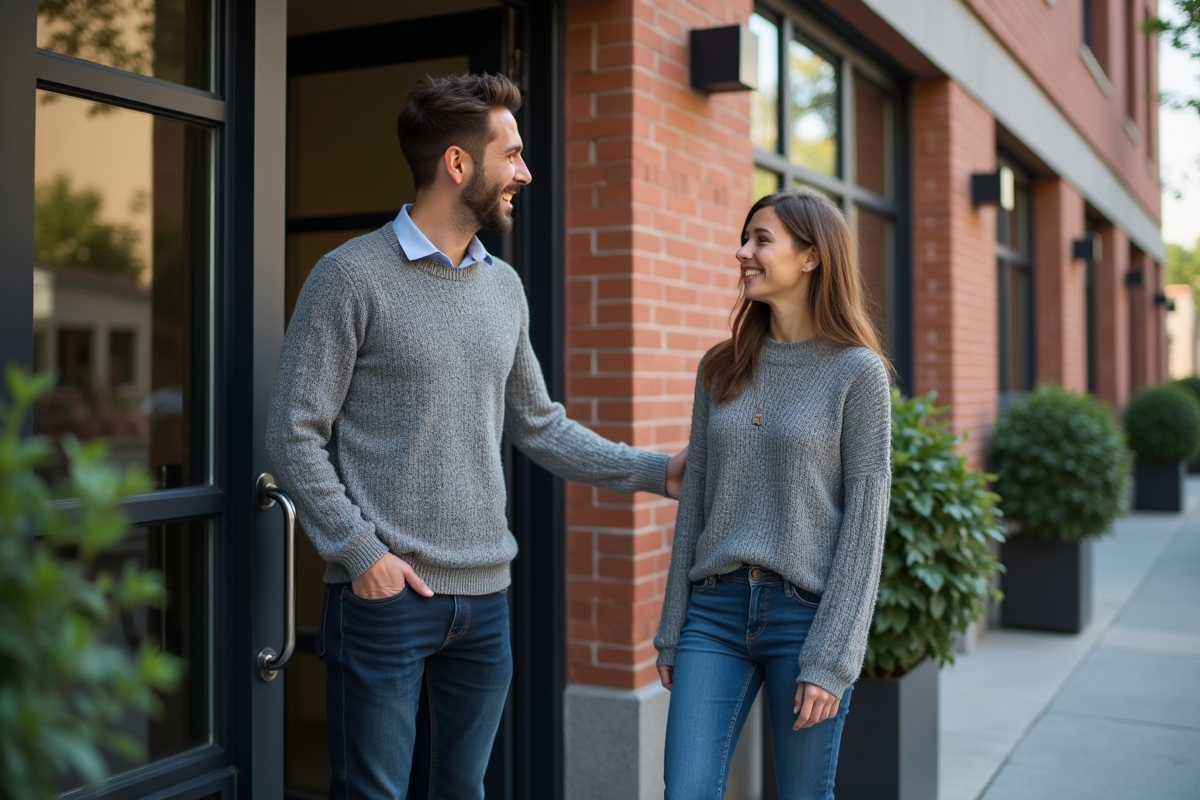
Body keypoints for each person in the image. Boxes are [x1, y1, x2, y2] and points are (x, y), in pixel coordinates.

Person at [266, 72, 686, 800]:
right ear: (458, 165)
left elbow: (539, 424)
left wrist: (658, 471)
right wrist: (361, 554)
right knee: (372, 794)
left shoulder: (504, 287)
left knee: (464, 790)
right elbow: (292, 432)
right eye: (512, 154)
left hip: (487, 600)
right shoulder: (350, 278)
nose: (525, 172)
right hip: (385, 601)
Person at [653, 190, 893, 799]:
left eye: (762, 240)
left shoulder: (856, 373)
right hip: (715, 612)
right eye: (746, 239)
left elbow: (866, 524)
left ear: (812, 257)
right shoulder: (719, 368)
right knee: (685, 791)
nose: (744, 253)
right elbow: (698, 500)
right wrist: (673, 627)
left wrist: (833, 659)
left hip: (805, 617)